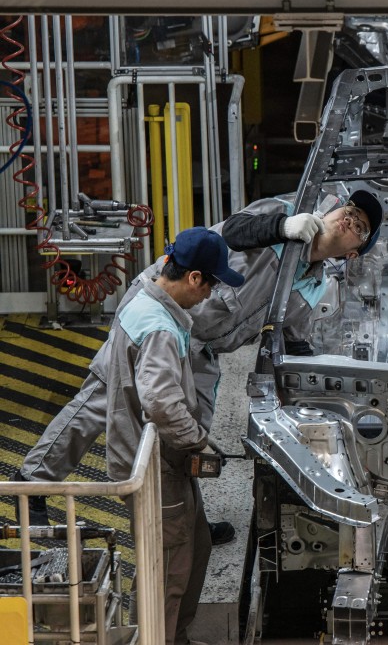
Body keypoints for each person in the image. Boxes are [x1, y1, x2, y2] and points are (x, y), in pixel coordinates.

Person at [14, 190, 384, 531]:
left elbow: (294, 337)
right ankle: (31, 485)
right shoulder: (287, 212)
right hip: (164, 308)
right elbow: (235, 230)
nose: (351, 220)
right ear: (335, 207)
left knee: (192, 432)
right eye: (350, 211)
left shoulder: (316, 284)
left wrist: (317, 391)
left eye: (361, 228)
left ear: (352, 253)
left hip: (203, 345)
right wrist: (283, 227)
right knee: (102, 401)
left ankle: (183, 521)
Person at [104, 226, 244, 645]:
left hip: (160, 461)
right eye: (212, 284)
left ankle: (175, 637)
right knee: (169, 570)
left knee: (196, 547)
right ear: (194, 277)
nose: (210, 295)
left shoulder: (144, 299)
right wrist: (197, 441)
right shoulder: (160, 327)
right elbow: (161, 402)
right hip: (153, 468)